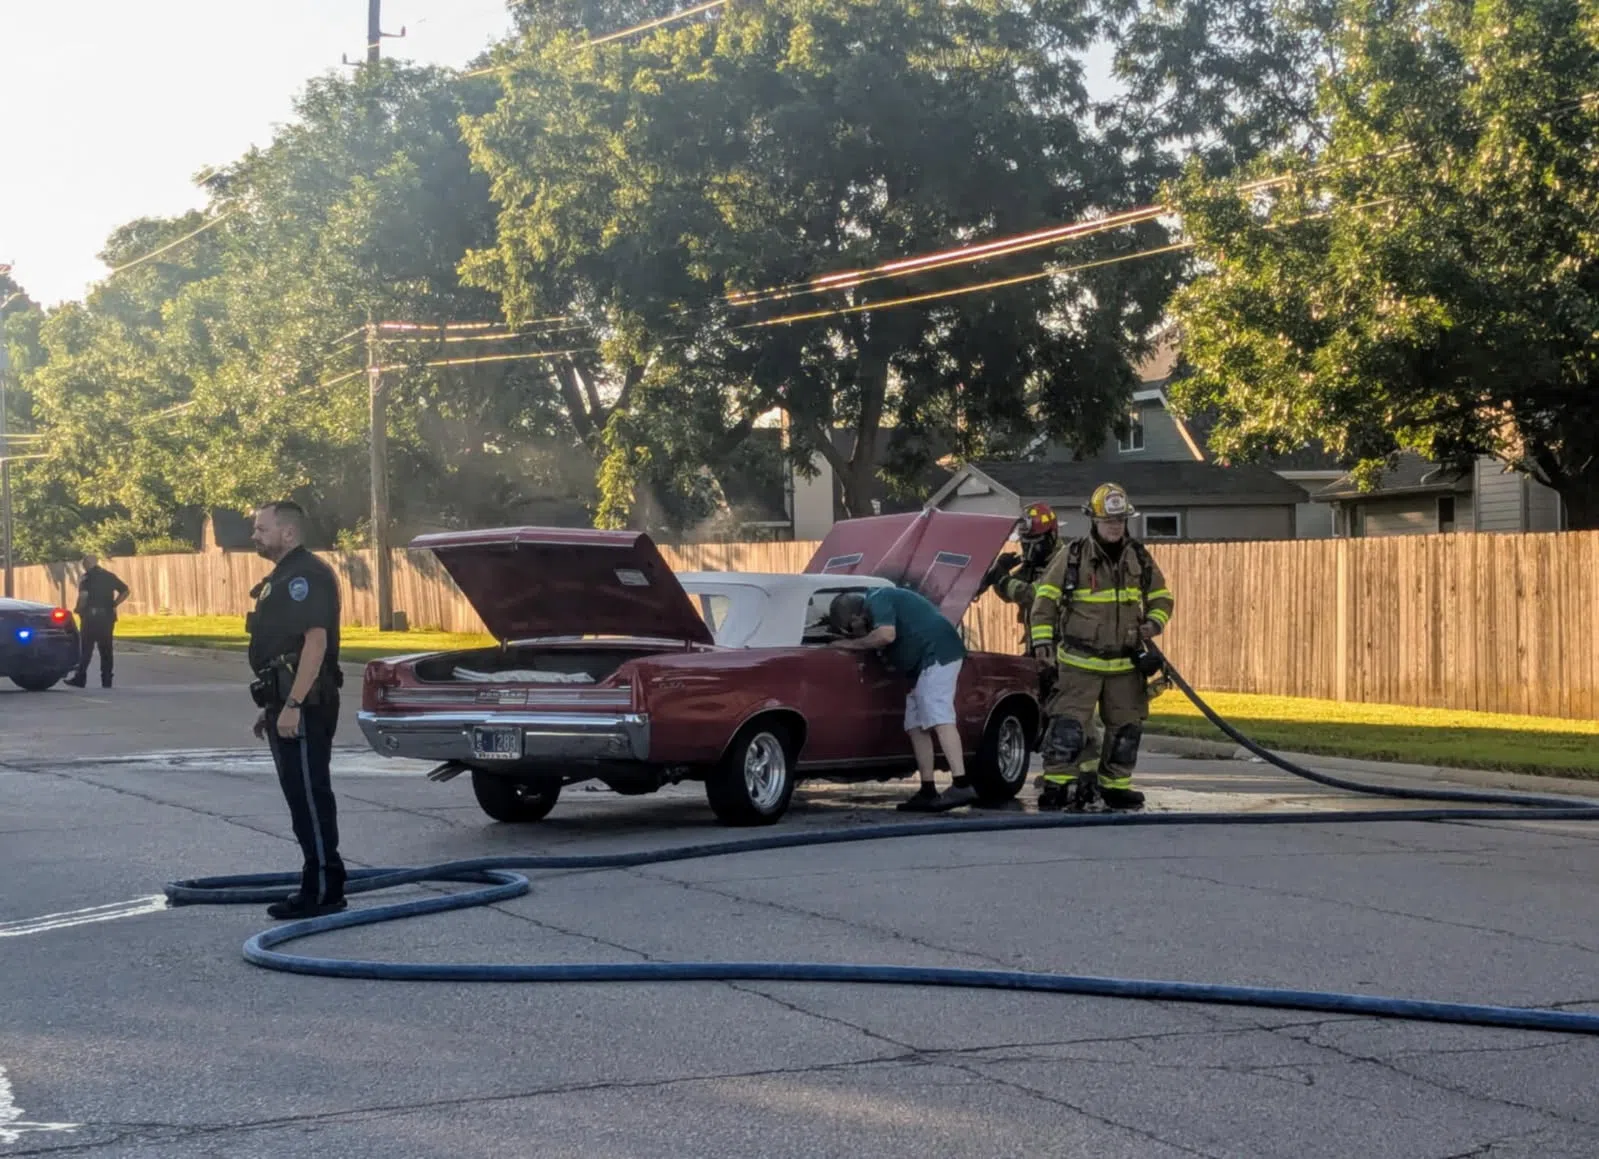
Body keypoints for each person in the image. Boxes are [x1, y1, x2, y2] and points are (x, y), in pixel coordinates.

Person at [1028, 483, 1174, 811]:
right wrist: (1041, 642)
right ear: (1093, 520)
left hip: (1125, 664)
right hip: (1079, 662)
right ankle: (1058, 785)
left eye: (1120, 521)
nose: (1115, 526)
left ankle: (1115, 786)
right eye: (1109, 521)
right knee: (1067, 726)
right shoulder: (1073, 555)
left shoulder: (1138, 556)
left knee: (1126, 728)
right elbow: (1045, 599)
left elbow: (1162, 596)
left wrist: (1154, 622)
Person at [245, 500, 348, 920]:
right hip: (285, 701)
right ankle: (315, 881)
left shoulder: (305, 575)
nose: (254, 535)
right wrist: (273, 705)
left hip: (303, 705)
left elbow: (315, 643)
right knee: (299, 799)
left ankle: (325, 890)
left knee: (309, 796)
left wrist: (293, 704)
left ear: (288, 532)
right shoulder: (284, 574)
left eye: (261, 528)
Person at [828, 585, 978, 813]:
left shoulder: (878, 598)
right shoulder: (880, 605)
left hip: (937, 654)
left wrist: (849, 644)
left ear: (857, 616)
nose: (852, 633)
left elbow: (886, 635)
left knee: (939, 715)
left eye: (850, 627)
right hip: (922, 664)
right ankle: (928, 790)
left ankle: (961, 783)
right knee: (916, 725)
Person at [65, 554, 129, 689]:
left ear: (87, 564)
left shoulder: (87, 578)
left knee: (86, 649)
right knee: (106, 649)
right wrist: (114, 604)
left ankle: (80, 678)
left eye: (84, 565)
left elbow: (84, 596)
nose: (84, 567)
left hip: (90, 618)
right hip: (107, 617)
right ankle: (107, 680)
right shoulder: (109, 576)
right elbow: (125, 591)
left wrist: (78, 609)